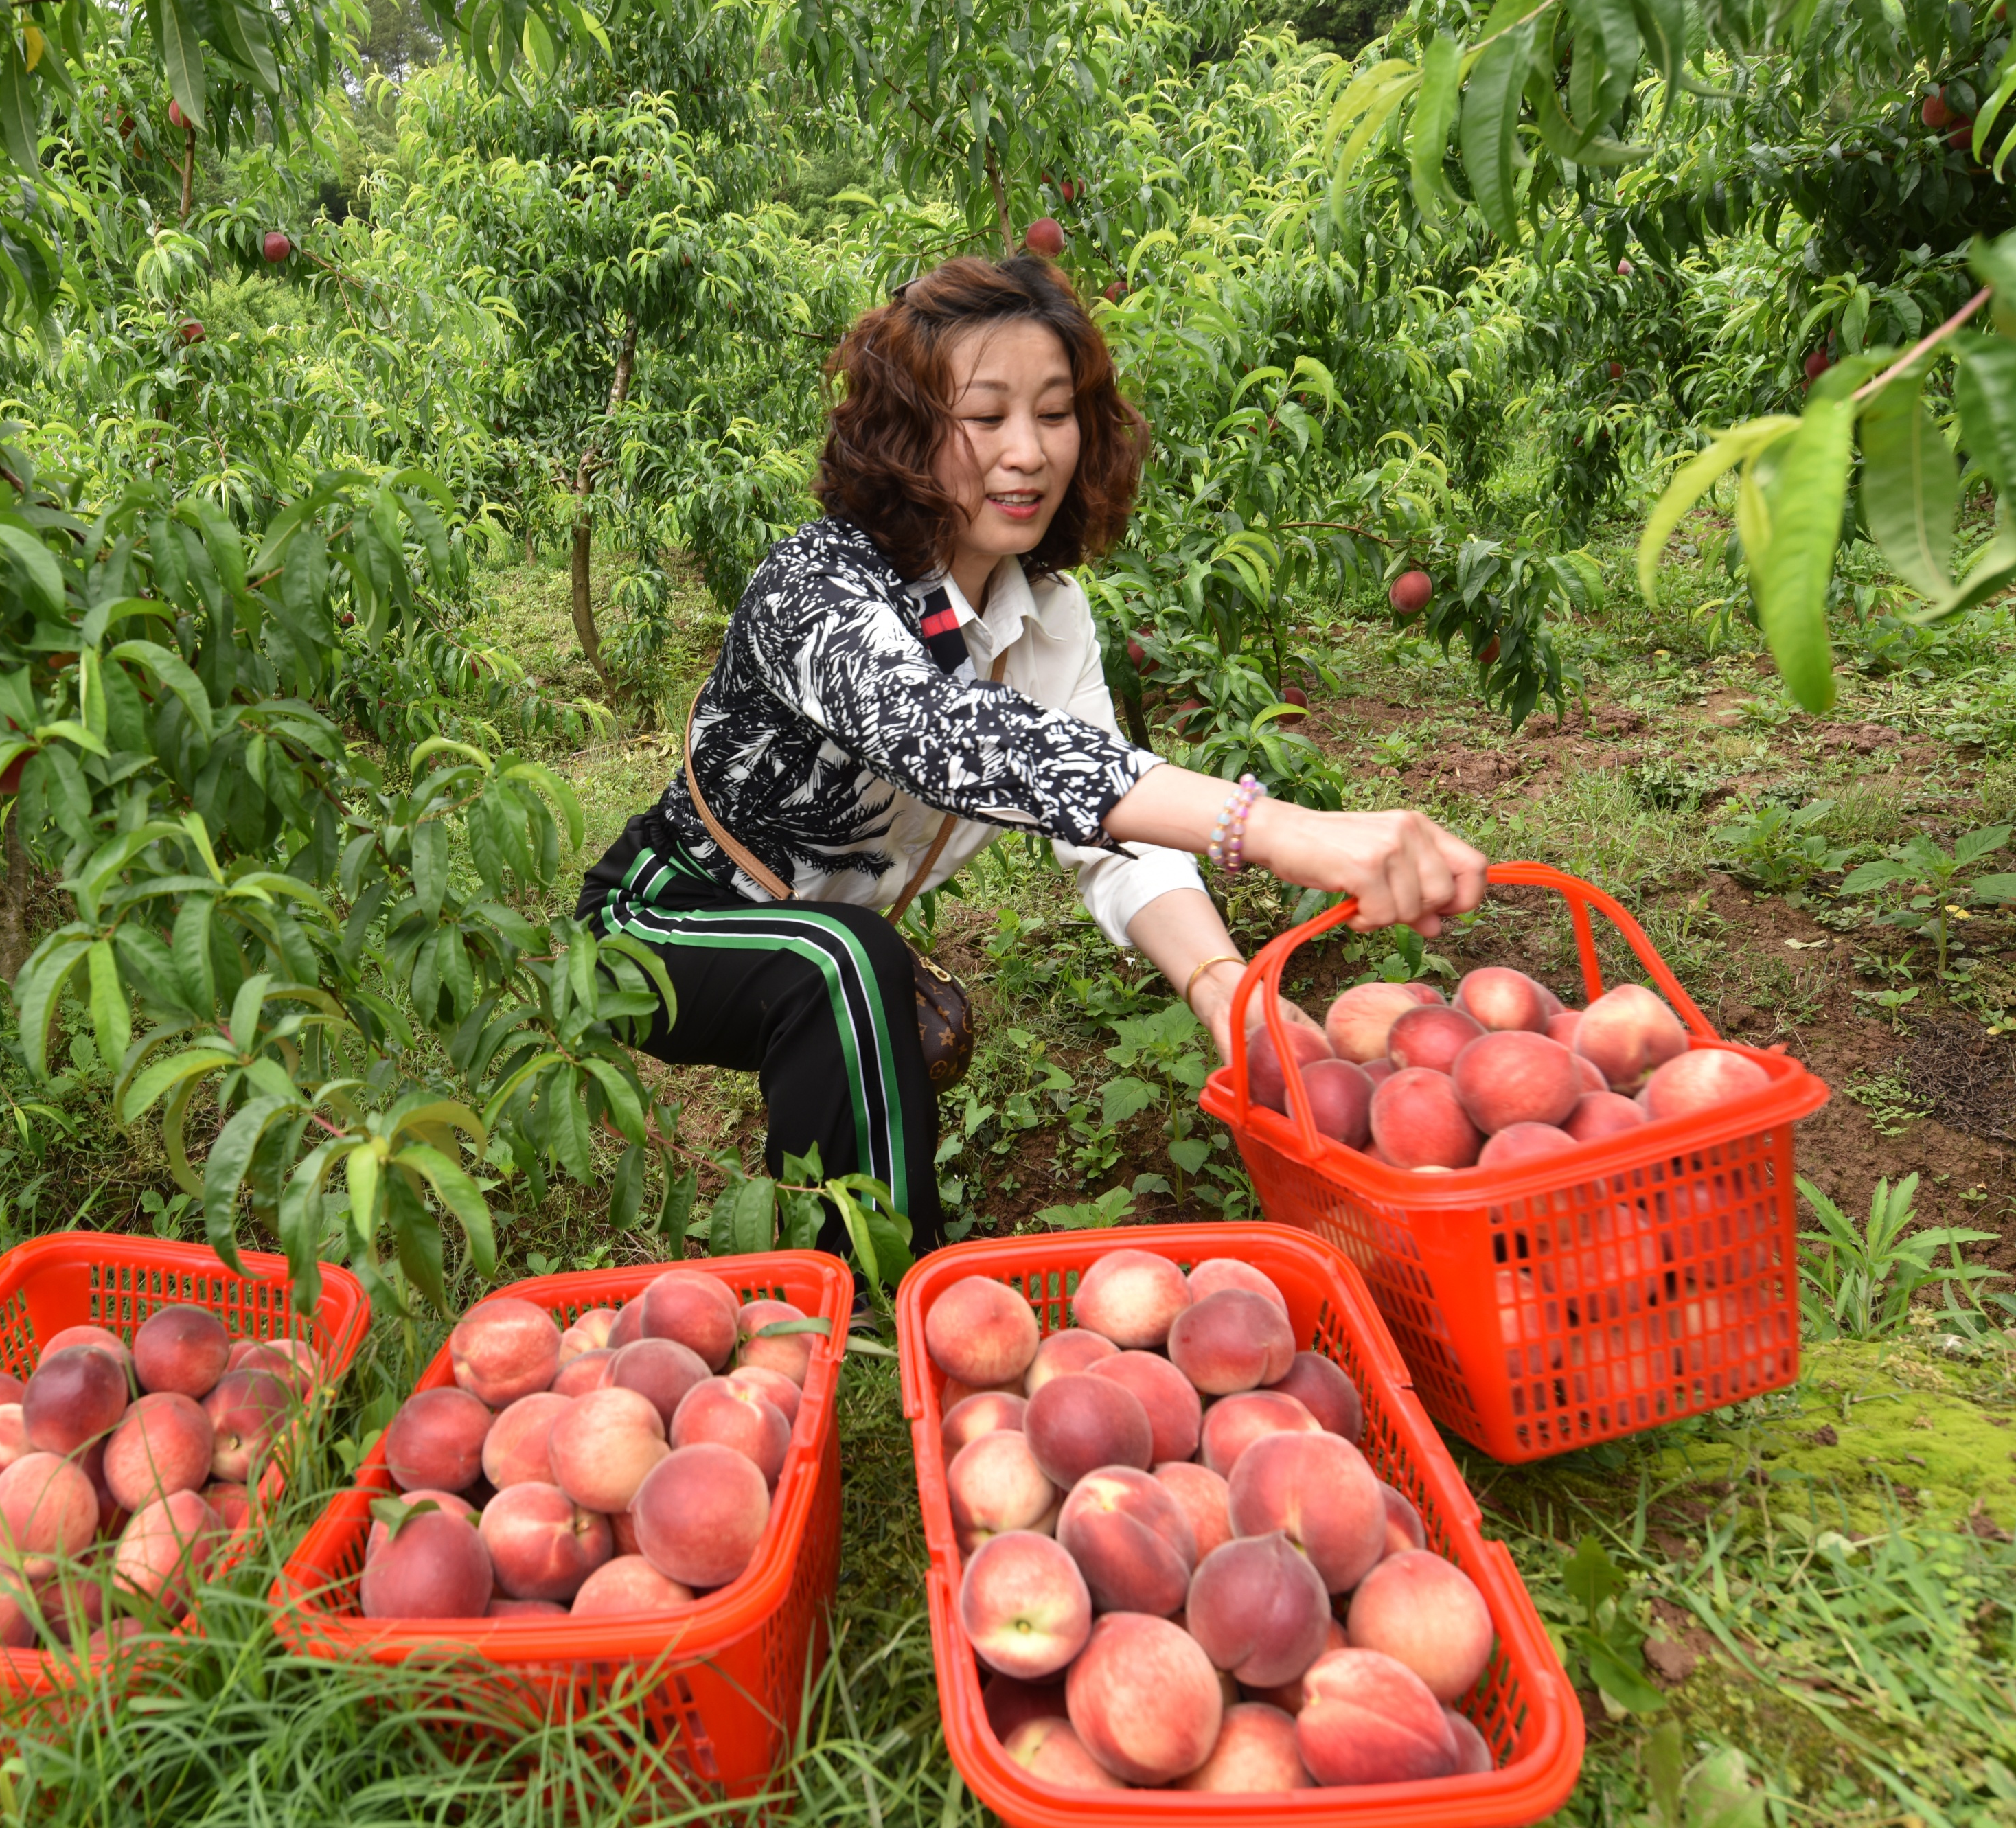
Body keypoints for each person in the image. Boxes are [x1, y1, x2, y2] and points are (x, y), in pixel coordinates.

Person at [577, 253, 1487, 1260]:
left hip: (816, 942)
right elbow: (947, 736)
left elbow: (1110, 831)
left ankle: (868, 1261)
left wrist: (1223, 988)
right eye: (984, 416)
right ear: (908, 432)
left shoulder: (1041, 612)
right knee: (843, 959)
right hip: (654, 924)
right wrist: (1271, 827)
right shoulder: (815, 583)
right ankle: (867, 1283)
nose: (1027, 452)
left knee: (843, 961)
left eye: (1054, 414)